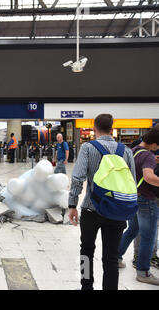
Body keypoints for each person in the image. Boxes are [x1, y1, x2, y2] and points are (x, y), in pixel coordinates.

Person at [68, 114, 135, 290]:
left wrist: (72, 204)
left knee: (86, 251)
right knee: (111, 257)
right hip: (117, 211)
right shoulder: (126, 151)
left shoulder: (88, 148)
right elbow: (132, 183)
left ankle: (86, 287)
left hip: (91, 210)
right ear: (112, 128)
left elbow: (77, 178)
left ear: (94, 128)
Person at [117, 127, 159, 285]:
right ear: (154, 144)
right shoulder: (148, 155)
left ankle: (116, 257)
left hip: (133, 197)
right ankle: (143, 272)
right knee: (148, 237)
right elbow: (148, 177)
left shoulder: (133, 150)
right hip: (147, 200)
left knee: (132, 230)